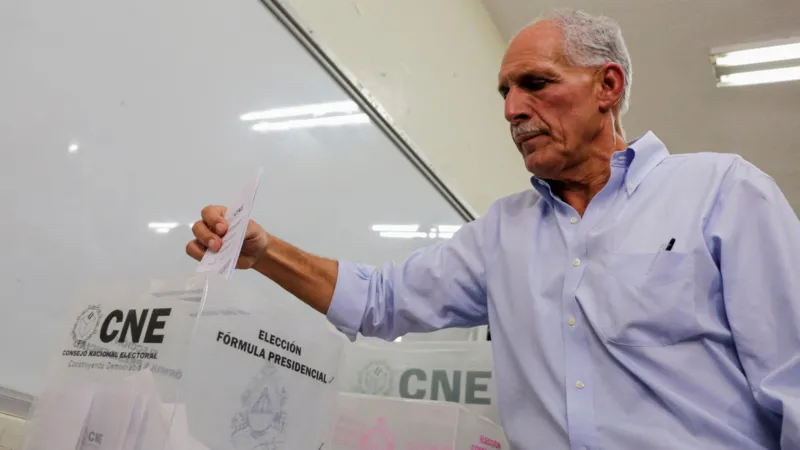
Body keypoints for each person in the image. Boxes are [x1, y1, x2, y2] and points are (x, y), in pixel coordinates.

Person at [186, 8, 800, 450]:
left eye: (536, 84)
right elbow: (381, 300)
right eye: (505, 91)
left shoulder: (723, 192)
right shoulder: (501, 232)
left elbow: (791, 378)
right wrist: (263, 252)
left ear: (607, 86)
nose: (511, 109)